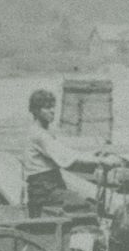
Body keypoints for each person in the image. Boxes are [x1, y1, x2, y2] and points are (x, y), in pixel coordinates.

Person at [23, 89, 116, 218]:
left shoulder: (42, 131)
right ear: (36, 111)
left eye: (53, 107)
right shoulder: (39, 135)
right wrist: (100, 161)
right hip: (44, 190)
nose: (52, 111)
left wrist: (92, 154)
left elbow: (66, 151)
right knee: (86, 208)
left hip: (48, 187)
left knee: (88, 203)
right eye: (47, 108)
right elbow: (65, 156)